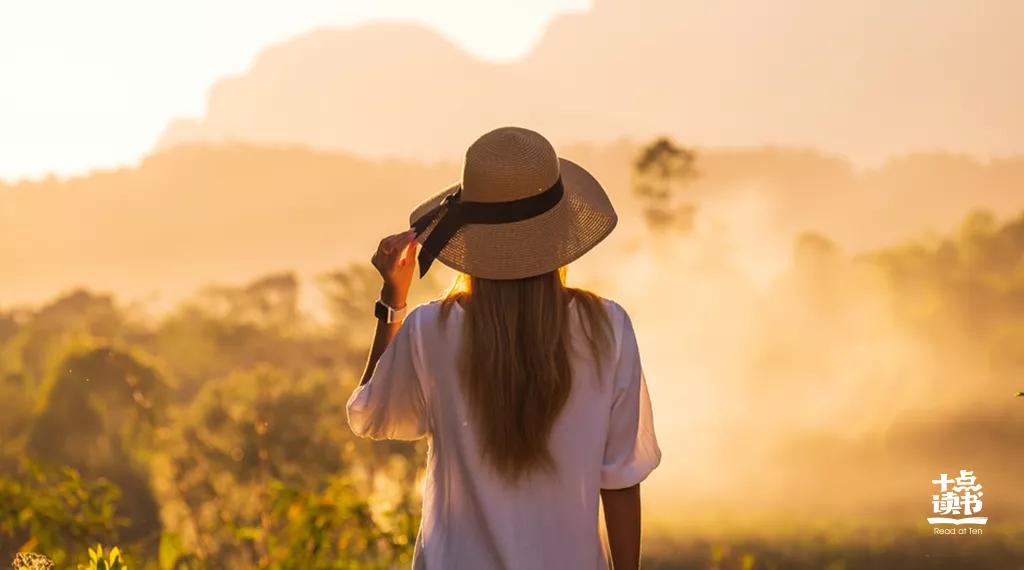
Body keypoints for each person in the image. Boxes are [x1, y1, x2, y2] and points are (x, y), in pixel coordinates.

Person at [347, 126, 661, 569]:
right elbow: (622, 480)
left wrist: (392, 302)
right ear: (560, 234)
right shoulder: (607, 329)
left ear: (469, 239)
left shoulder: (429, 330)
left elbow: (370, 414)